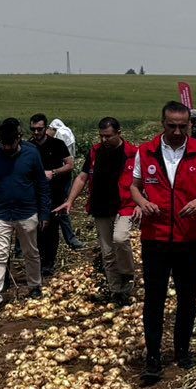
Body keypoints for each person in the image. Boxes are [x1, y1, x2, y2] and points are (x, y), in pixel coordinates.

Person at [130, 101, 196, 383]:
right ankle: (153, 357)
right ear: (162, 124)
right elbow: (135, 185)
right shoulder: (147, 151)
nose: (178, 131)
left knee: (187, 297)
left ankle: (182, 350)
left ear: (190, 125)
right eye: (172, 126)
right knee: (154, 298)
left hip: (188, 236)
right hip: (154, 237)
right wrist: (143, 202)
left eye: (183, 126)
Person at [58, 117, 136, 305]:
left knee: (121, 238)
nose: (104, 140)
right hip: (100, 206)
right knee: (107, 252)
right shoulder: (95, 152)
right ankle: (117, 291)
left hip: (125, 205)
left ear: (119, 133)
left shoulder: (133, 153)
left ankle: (127, 274)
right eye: (101, 136)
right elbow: (82, 177)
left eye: (108, 136)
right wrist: (70, 200)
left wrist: (142, 203)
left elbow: (143, 180)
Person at [0, 117, 47, 314]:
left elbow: (41, 184)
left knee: (30, 252)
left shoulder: (32, 153)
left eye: (11, 144)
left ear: (19, 138)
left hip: (27, 212)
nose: (7, 148)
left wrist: (44, 213)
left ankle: (34, 286)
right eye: (3, 144)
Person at [30, 113, 74, 281]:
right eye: (33, 129)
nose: (36, 132)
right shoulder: (29, 146)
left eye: (39, 129)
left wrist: (53, 172)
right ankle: (38, 262)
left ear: (46, 128)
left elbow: (70, 165)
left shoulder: (57, 144)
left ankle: (49, 263)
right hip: (34, 194)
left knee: (51, 228)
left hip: (54, 191)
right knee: (35, 229)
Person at [49, 119, 83, 251]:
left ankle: (70, 239)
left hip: (59, 176)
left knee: (61, 206)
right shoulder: (65, 132)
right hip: (53, 177)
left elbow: (68, 161)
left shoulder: (60, 135)